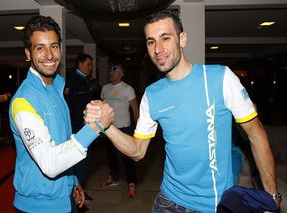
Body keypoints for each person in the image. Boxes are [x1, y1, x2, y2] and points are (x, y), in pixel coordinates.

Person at [84, 10, 280, 213]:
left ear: (182, 38)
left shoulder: (220, 78)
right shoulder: (152, 94)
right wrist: (105, 126)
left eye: (165, 38)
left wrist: (271, 198)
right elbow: (137, 151)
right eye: (151, 42)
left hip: (213, 204)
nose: (157, 49)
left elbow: (255, 133)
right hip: (168, 200)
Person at [8, 15, 113, 213]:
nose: (49, 55)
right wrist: (97, 126)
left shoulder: (58, 86)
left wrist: (73, 181)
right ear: (28, 54)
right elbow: (50, 163)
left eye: (54, 46)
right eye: (40, 48)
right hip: (38, 207)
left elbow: (62, 142)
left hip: (65, 197)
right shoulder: (23, 103)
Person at [99, 63, 139, 198]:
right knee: (111, 156)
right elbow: (102, 107)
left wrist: (137, 130)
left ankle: (132, 182)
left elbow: (135, 109)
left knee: (126, 157)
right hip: (108, 128)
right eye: (111, 70)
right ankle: (114, 178)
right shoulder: (105, 88)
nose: (111, 73)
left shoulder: (128, 89)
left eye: (114, 71)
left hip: (124, 128)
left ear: (121, 74)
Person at [65, 53, 94, 211]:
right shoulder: (73, 80)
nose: (90, 68)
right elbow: (72, 107)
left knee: (83, 163)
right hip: (77, 129)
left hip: (83, 127)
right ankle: (76, 199)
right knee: (80, 163)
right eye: (88, 64)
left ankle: (80, 191)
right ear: (80, 64)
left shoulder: (83, 80)